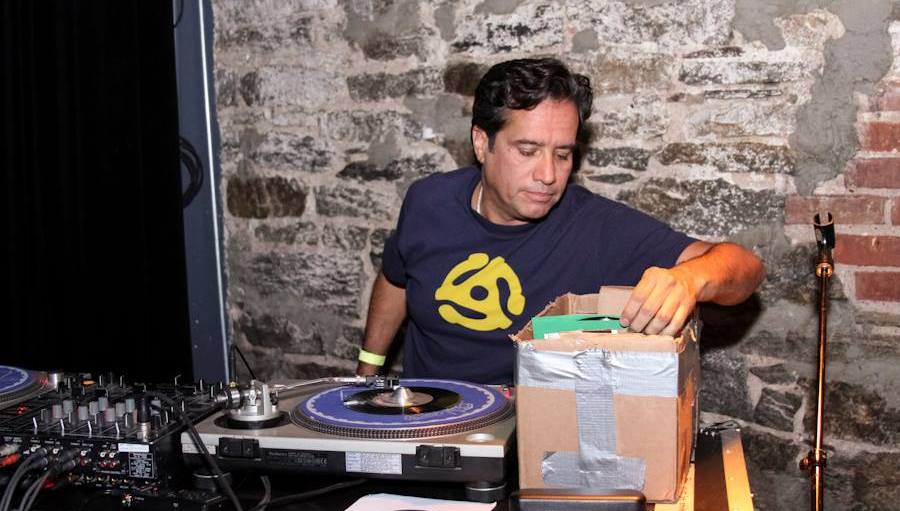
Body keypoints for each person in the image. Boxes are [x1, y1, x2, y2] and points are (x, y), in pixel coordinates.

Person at [356, 58, 764, 385]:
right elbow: (396, 280)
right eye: (528, 151)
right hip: (422, 424)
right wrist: (366, 375)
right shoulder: (428, 201)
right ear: (482, 143)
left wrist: (690, 279)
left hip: (525, 441)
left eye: (563, 154)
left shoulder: (596, 228)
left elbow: (746, 268)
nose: (548, 175)